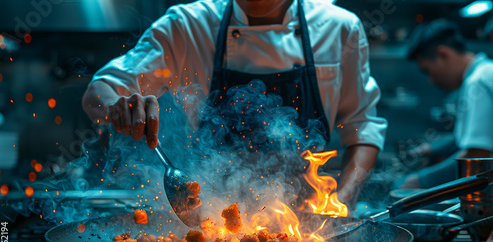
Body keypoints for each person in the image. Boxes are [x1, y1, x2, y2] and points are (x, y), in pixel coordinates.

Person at [82, 0, 387, 209]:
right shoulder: (187, 26)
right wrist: (117, 107)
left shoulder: (339, 28)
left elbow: (362, 128)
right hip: (210, 220)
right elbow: (101, 88)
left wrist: (340, 208)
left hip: (307, 226)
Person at [397, 20, 493, 189]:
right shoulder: (484, 72)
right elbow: (472, 138)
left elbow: (479, 154)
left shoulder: (478, 81)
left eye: (427, 70)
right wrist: (433, 148)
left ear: (443, 54)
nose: (431, 80)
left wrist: (420, 181)